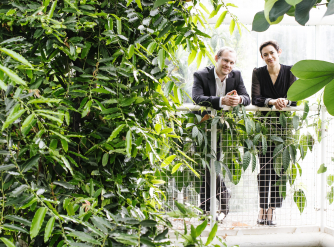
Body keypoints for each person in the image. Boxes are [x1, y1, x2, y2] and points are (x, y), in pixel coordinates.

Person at [192, 47, 250, 219]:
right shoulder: (201, 75)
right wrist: (220, 101)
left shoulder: (236, 75)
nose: (228, 65)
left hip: (225, 128)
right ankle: (222, 196)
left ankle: (206, 210)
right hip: (203, 127)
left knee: (209, 166)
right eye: (225, 60)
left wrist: (239, 99)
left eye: (232, 62)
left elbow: (247, 98)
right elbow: (196, 97)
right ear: (216, 58)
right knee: (207, 166)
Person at [252, 40, 297, 226]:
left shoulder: (291, 71)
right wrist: (272, 101)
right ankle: (262, 208)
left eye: (272, 53)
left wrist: (286, 102)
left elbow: (296, 99)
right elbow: (256, 98)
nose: (269, 57)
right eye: (265, 54)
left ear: (279, 52)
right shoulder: (258, 72)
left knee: (280, 170)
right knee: (264, 170)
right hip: (263, 130)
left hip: (285, 130)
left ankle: (272, 210)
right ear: (262, 57)